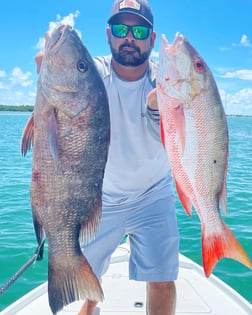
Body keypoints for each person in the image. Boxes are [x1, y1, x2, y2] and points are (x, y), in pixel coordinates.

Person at [78, 1, 179, 314]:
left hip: (155, 194)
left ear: (151, 37)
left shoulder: (169, 81)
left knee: (162, 279)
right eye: (121, 29)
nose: (129, 38)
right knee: (88, 274)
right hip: (103, 196)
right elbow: (56, 71)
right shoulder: (90, 74)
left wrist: (159, 107)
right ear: (109, 34)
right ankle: (90, 304)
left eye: (139, 30)